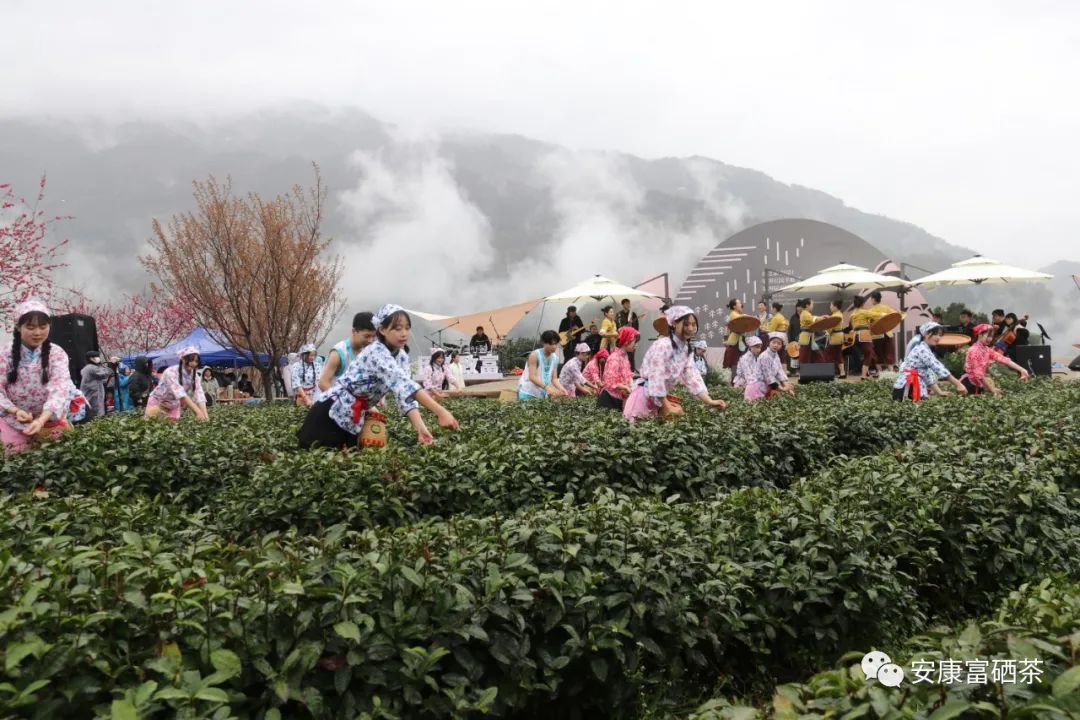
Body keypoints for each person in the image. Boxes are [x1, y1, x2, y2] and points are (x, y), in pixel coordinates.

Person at [298, 305, 458, 449]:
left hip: (353, 417)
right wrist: (441, 412)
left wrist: (421, 428)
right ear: (382, 330)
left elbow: (405, 395)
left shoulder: (401, 356)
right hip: (329, 413)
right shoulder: (376, 352)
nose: (404, 333)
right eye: (397, 328)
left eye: (407, 328)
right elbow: (404, 384)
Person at [0, 300, 83, 453]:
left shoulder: (56, 353)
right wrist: (15, 411)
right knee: (17, 462)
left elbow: (59, 389)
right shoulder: (5, 354)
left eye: (43, 327)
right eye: (30, 327)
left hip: (49, 418)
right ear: (18, 327)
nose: (37, 333)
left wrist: (41, 420)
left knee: (56, 462)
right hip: (14, 420)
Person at [623, 306, 727, 422]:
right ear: (674, 324)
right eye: (686, 324)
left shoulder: (686, 350)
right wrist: (667, 406)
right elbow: (656, 377)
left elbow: (693, 377)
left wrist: (709, 401)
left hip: (656, 402)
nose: (690, 328)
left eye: (693, 324)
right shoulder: (662, 345)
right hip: (642, 399)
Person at [892, 322, 968, 401]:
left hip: (914, 386)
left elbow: (926, 374)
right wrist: (958, 384)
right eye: (936, 334)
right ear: (926, 334)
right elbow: (938, 368)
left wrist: (939, 392)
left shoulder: (925, 349)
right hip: (908, 387)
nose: (938, 337)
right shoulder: (922, 349)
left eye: (940, 335)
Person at [961, 323, 1030, 395]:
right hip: (969, 384)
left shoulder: (987, 349)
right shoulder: (973, 351)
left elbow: (1003, 359)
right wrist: (992, 389)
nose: (990, 339)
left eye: (991, 336)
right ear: (980, 335)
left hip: (979, 384)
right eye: (988, 336)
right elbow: (979, 375)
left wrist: (1021, 369)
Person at [145, 347, 210, 421]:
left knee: (173, 429)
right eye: (191, 360)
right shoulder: (171, 372)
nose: (194, 363)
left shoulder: (195, 376)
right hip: (158, 402)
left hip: (173, 405)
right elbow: (181, 393)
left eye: (196, 361)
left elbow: (199, 394)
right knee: (151, 424)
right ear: (183, 359)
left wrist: (205, 415)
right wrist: (197, 412)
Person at [319, 312, 377, 393]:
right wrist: (344, 400)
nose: (370, 340)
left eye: (374, 336)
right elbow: (323, 383)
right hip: (332, 402)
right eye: (367, 336)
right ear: (354, 331)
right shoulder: (339, 353)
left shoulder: (366, 352)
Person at [518, 330, 567, 401]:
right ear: (543, 342)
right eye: (551, 344)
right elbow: (532, 377)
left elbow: (554, 379)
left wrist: (562, 389)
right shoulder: (534, 355)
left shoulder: (555, 358)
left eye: (555, 344)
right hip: (529, 393)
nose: (554, 347)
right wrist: (547, 387)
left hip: (542, 393)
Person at [599, 327, 639, 410]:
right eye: (635, 342)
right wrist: (625, 387)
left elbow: (628, 374)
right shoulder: (614, 358)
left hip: (620, 398)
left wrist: (631, 384)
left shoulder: (625, 356)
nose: (636, 345)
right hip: (609, 401)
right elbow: (609, 382)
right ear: (627, 341)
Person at [80, 350, 116, 420]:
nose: (98, 358)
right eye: (96, 356)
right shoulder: (91, 368)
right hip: (93, 395)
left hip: (93, 394)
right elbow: (103, 373)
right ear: (91, 358)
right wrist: (111, 365)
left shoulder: (89, 368)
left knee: (94, 413)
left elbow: (103, 376)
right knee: (96, 414)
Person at [868, 291, 899, 371]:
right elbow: (895, 315)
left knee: (878, 356)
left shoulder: (871, 311)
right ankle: (891, 374)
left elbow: (869, 324)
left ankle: (880, 374)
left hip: (877, 335)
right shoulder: (886, 308)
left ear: (873, 299)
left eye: (871, 299)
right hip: (888, 333)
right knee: (889, 355)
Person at [849, 296, 878, 379]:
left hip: (855, 336)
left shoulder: (853, 314)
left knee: (869, 353)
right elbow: (877, 316)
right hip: (864, 334)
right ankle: (864, 375)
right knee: (869, 354)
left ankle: (871, 372)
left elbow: (852, 326)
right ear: (862, 303)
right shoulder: (864, 312)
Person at [760, 332, 796, 398]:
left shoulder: (775, 355)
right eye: (774, 342)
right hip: (761, 384)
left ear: (781, 345)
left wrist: (786, 385)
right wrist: (783, 389)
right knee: (774, 397)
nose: (776, 345)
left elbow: (779, 371)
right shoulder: (764, 356)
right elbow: (768, 377)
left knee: (789, 389)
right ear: (769, 343)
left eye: (779, 343)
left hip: (771, 383)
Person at [732, 336, 766, 401]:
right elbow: (748, 375)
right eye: (756, 347)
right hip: (743, 384)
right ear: (750, 347)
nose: (759, 349)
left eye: (760, 347)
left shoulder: (754, 357)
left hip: (752, 382)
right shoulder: (745, 358)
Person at [615, 298, 643, 370]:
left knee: (631, 355)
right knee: (622, 355)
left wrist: (635, 338)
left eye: (629, 303)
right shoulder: (618, 314)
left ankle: (632, 371)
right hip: (623, 338)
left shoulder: (632, 314)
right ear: (623, 304)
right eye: (626, 303)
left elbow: (636, 327)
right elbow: (618, 326)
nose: (628, 305)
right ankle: (622, 371)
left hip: (631, 338)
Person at [723, 298, 747, 376]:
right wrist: (745, 316)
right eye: (739, 303)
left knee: (739, 361)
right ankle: (733, 380)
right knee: (733, 362)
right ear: (734, 306)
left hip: (739, 341)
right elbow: (741, 320)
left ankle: (737, 379)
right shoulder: (733, 314)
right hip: (734, 342)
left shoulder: (738, 314)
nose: (741, 305)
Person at [824, 299, 846, 379]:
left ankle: (829, 374)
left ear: (835, 306)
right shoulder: (839, 314)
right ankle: (842, 373)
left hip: (835, 338)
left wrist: (827, 330)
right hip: (839, 336)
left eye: (831, 305)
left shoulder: (835, 316)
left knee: (827, 354)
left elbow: (830, 328)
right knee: (838, 355)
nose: (830, 307)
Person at [796, 298, 816, 368]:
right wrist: (822, 318)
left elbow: (814, 318)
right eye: (812, 304)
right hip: (805, 337)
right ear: (807, 305)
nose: (813, 306)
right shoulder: (805, 313)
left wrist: (822, 317)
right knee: (804, 356)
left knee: (807, 355)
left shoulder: (806, 313)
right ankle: (803, 373)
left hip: (808, 336)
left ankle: (807, 373)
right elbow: (814, 320)